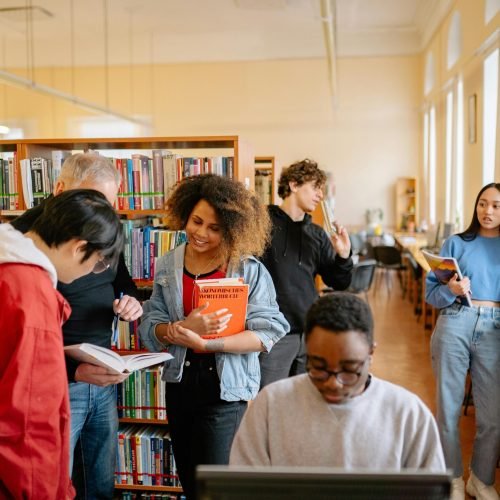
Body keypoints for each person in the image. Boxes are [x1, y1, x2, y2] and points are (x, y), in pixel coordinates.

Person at [138, 174, 289, 499]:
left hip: (225, 389)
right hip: (179, 385)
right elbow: (151, 326)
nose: (201, 233)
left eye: (215, 228)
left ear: (233, 230)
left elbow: (268, 332)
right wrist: (177, 331)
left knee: (217, 488)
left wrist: (209, 344)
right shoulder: (167, 265)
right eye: (196, 221)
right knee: (191, 484)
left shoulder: (247, 270)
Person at [11, 152, 143, 499]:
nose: (97, 269)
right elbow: (23, 417)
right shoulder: (29, 282)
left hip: (97, 371)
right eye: (95, 261)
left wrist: (128, 298)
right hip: (62, 381)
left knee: (96, 481)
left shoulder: (74, 244)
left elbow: (121, 279)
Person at [230, 292, 446, 472]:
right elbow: (242, 487)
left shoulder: (408, 414)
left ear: (371, 352)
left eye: (349, 370)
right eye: (319, 368)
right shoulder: (270, 405)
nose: (334, 383)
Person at [425, 183, 500, 500]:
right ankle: (453, 477)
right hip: (455, 321)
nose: (488, 211)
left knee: (493, 416)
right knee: (449, 410)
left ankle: (480, 480)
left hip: (495, 329)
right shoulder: (455, 243)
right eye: (483, 204)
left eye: (496, 205)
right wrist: (451, 292)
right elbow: (431, 294)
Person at [259, 158, 353, 388]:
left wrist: (343, 255)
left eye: (321, 189)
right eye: (314, 187)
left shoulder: (317, 234)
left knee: (304, 405)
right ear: (293, 185)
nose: (320, 195)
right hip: (275, 335)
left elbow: (339, 282)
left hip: (310, 334)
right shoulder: (262, 225)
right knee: (271, 404)